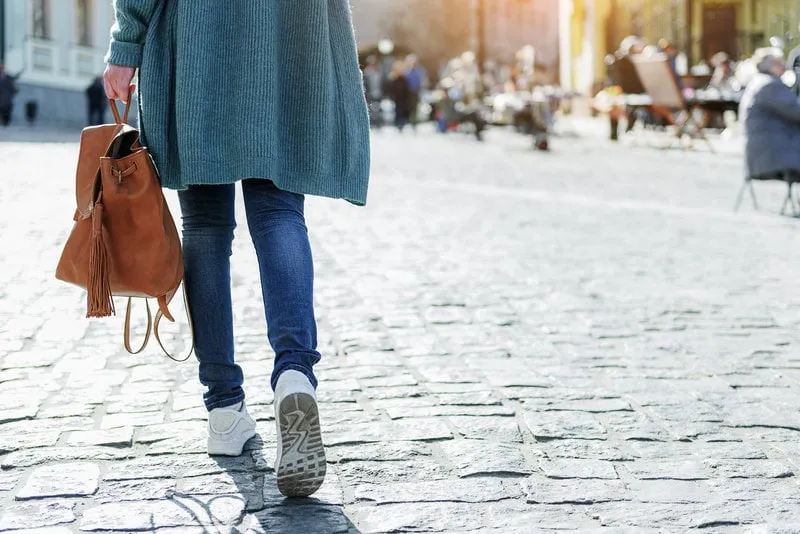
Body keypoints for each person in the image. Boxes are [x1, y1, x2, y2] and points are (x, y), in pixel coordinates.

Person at [104, 1, 370, 498]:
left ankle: (224, 409)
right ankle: (294, 374)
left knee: (205, 227)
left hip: (199, 44)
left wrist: (126, 45)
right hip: (289, 41)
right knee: (279, 213)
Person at [739, 47, 800, 181]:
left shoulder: (760, 81)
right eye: (780, 63)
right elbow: (796, 112)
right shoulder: (769, 85)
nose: (785, 66)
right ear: (772, 65)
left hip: (766, 154)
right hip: (774, 156)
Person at [386, 61, 412, 132]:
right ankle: (397, 124)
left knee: (402, 111)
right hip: (396, 98)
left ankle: (402, 124)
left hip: (403, 98)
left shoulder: (404, 79)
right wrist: (391, 96)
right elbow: (390, 89)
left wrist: (407, 97)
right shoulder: (393, 78)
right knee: (397, 111)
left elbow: (406, 89)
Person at [403, 54, 427, 130]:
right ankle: (408, 120)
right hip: (408, 92)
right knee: (408, 106)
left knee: (415, 107)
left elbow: (423, 81)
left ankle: (414, 121)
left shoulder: (420, 70)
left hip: (416, 91)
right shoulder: (406, 71)